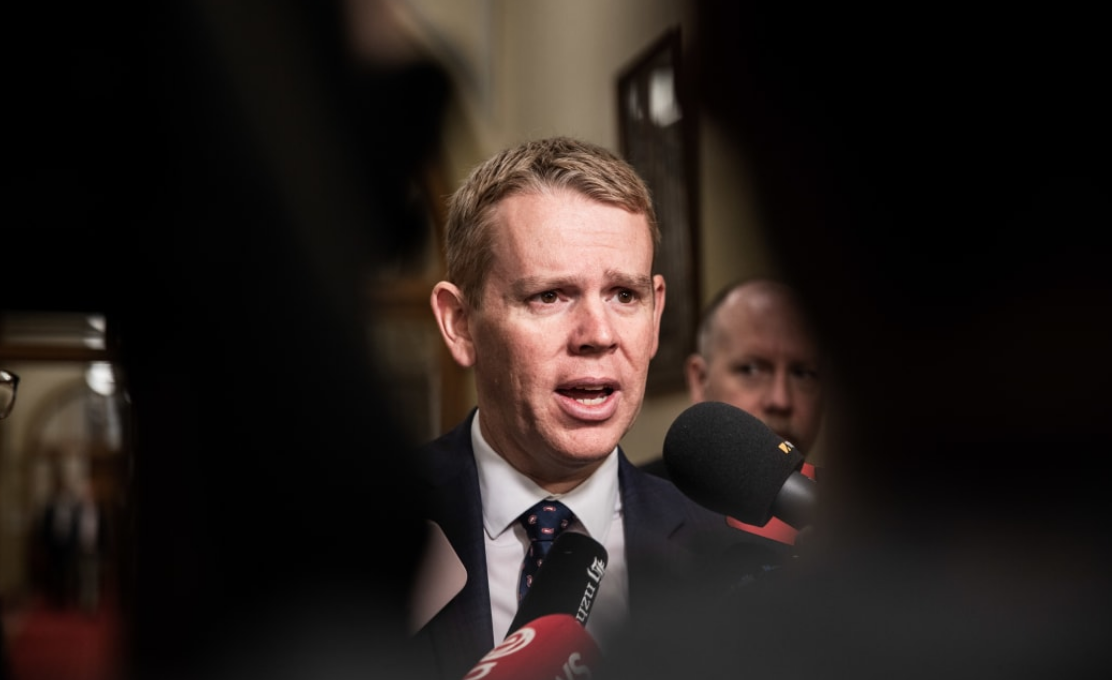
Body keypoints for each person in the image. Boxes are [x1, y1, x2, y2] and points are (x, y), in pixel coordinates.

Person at [411, 136, 785, 680]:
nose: (599, 334)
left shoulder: (732, 552)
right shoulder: (351, 531)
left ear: (655, 315)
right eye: (550, 295)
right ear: (459, 323)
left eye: (624, 296)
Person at [641, 277, 824, 544]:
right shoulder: (630, 513)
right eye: (751, 369)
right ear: (700, 380)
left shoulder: (861, 512)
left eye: (803, 373)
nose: (781, 400)